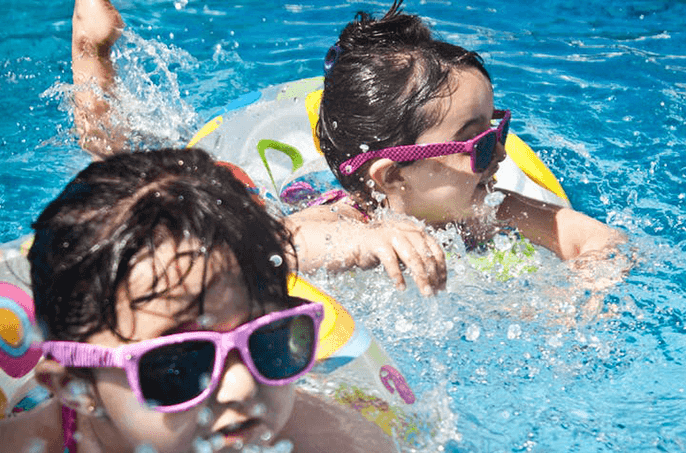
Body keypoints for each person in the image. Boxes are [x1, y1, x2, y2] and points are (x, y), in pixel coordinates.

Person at [0, 147, 403, 453]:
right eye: (179, 366)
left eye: (268, 341)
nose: (241, 387)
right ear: (76, 386)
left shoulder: (321, 446)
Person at [70, 0, 625, 297]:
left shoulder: (492, 209)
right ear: (390, 178)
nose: (499, 157)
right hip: (284, 196)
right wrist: (361, 241)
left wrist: (583, 293)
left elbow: (597, 239)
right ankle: (91, 49)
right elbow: (264, 251)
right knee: (125, 174)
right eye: (475, 144)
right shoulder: (342, 216)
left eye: (497, 131)